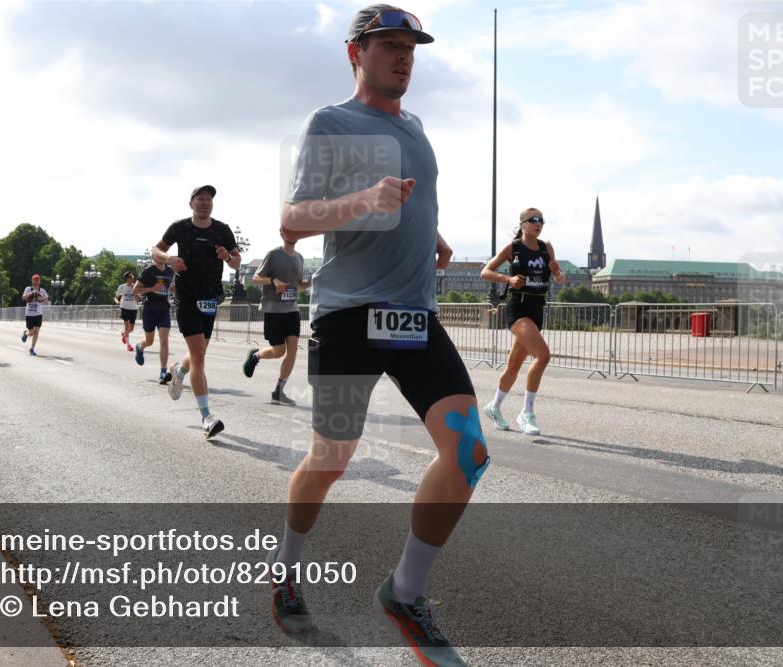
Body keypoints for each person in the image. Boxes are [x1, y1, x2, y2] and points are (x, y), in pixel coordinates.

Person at [270, 7, 489, 665]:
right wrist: (362, 201)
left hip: (413, 316)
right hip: (347, 316)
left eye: (410, 48)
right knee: (332, 457)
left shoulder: (417, 128)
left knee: (469, 451)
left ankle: (405, 591)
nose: (403, 57)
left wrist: (433, 236)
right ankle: (285, 571)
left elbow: (411, 204)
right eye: (389, 46)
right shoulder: (331, 123)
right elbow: (291, 220)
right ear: (355, 54)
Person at [153, 185, 241, 439]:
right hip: (186, 297)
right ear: (191, 203)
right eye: (201, 199)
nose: (206, 203)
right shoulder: (180, 227)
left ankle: (178, 373)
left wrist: (228, 256)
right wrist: (169, 259)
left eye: (209, 199)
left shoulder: (222, 230)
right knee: (200, 356)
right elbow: (155, 250)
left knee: (198, 352)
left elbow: (237, 262)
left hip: (210, 298)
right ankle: (207, 417)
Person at [480, 208, 565, 435]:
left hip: (537, 309)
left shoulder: (547, 248)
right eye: (534, 220)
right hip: (518, 309)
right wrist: (507, 278)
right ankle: (526, 413)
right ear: (523, 223)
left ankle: (494, 406)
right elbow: (485, 272)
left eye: (541, 220)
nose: (539, 224)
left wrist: (557, 272)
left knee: (514, 366)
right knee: (543, 355)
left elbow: (561, 279)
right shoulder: (513, 248)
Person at [242, 239, 310, 405]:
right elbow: (255, 278)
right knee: (279, 351)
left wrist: (312, 282)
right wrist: (273, 281)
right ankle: (255, 356)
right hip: (274, 310)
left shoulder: (300, 258)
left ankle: (279, 391)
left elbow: (298, 285)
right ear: (282, 232)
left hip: (292, 310)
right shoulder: (273, 254)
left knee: (293, 349)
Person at [134, 258, 176, 384]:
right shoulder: (148, 271)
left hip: (164, 309)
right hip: (150, 309)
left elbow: (171, 287)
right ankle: (140, 347)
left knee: (164, 340)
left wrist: (176, 289)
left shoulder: (170, 271)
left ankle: (163, 372)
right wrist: (152, 288)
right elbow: (135, 290)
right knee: (150, 341)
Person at [21, 274, 50, 356]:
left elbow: (47, 302)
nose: (36, 281)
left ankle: (32, 348)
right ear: (32, 281)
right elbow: (23, 297)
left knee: (36, 332)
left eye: (37, 280)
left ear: (39, 281)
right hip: (29, 314)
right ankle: (26, 334)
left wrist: (40, 298)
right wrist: (32, 293)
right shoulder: (28, 289)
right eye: (34, 280)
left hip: (38, 314)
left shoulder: (42, 291)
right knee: (31, 333)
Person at [114, 271, 140, 352]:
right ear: (127, 278)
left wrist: (134, 291)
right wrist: (117, 301)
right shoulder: (121, 287)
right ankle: (128, 345)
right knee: (127, 326)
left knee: (131, 328)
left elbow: (138, 299)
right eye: (132, 277)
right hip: (124, 307)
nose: (133, 278)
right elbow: (115, 297)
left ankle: (124, 334)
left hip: (133, 308)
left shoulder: (136, 287)